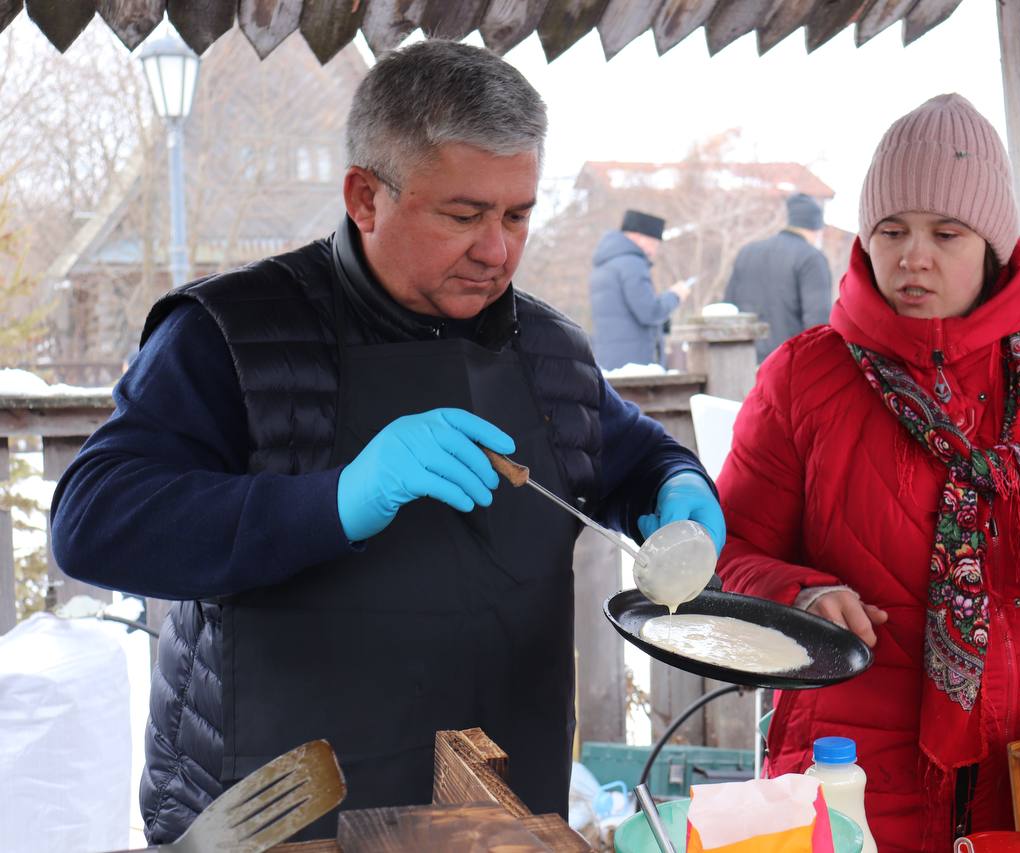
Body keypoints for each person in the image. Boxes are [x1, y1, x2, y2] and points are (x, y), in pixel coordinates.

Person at [48, 41, 725, 843]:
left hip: (499, 815)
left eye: (518, 215)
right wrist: (335, 498)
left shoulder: (552, 351)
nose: (497, 249)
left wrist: (679, 489)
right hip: (273, 815)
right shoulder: (231, 332)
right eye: (464, 214)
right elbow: (92, 522)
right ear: (365, 197)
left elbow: (640, 457)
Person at [715, 94, 1020, 850]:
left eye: (945, 233)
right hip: (855, 770)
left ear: (992, 243)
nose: (912, 256)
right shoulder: (806, 376)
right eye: (891, 231)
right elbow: (730, 557)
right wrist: (801, 593)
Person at [723, 192, 833, 362]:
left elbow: (729, 308)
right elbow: (818, 321)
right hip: (788, 367)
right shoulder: (811, 258)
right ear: (816, 228)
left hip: (743, 363)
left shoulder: (747, 253)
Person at [589, 210, 690, 369]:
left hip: (609, 360)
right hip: (634, 364)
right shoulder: (632, 264)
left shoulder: (605, 264)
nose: (654, 251)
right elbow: (649, 312)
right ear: (639, 236)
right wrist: (675, 295)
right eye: (654, 243)